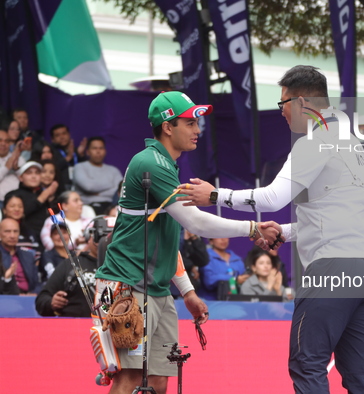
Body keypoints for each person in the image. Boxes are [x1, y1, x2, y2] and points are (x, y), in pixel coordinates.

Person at [176, 65, 364, 393]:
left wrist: (216, 195)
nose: (281, 112)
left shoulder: (316, 141)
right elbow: (342, 214)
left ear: (302, 102)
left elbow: (272, 197)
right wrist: (285, 233)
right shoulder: (352, 144)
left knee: (307, 363)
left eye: (283, 103)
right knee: (359, 375)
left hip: (333, 269)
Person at [93, 90, 281, 394]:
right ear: (168, 126)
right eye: (190, 123)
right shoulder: (151, 163)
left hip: (155, 289)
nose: (198, 130)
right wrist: (252, 229)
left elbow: (167, 241)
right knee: (128, 379)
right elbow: (196, 222)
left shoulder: (165, 164)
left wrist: (188, 293)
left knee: (158, 382)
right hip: (127, 286)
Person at [35, 220, 104, 317]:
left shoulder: (121, 267)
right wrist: (51, 302)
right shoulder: (70, 264)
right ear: (89, 238)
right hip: (73, 327)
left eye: (107, 238)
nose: (102, 242)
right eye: (98, 237)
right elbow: (42, 300)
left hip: (114, 327)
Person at [73, 136, 123, 214]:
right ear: (88, 152)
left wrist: (98, 193)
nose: (98, 151)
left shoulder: (114, 170)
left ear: (105, 151)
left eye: (101, 148)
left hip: (110, 207)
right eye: (94, 148)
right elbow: (88, 187)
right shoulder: (79, 167)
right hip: (85, 208)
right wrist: (110, 184)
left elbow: (119, 190)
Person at [15, 161, 59, 238]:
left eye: (37, 173)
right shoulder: (14, 195)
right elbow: (23, 212)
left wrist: (50, 199)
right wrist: (45, 195)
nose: (34, 176)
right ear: (21, 177)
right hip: (25, 239)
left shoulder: (44, 194)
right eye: (29, 173)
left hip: (47, 237)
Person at [0, 217, 39, 295]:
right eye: (7, 231)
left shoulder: (28, 255)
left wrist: (34, 293)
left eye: (15, 231)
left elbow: (37, 283)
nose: (12, 235)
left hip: (28, 298)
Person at [0, 127, 25, 203]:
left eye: (7, 141)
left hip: (17, 201)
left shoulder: (19, 158)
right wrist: (6, 167)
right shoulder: (13, 158)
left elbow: (27, 180)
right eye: (0, 140)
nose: (3, 143)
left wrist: (16, 169)